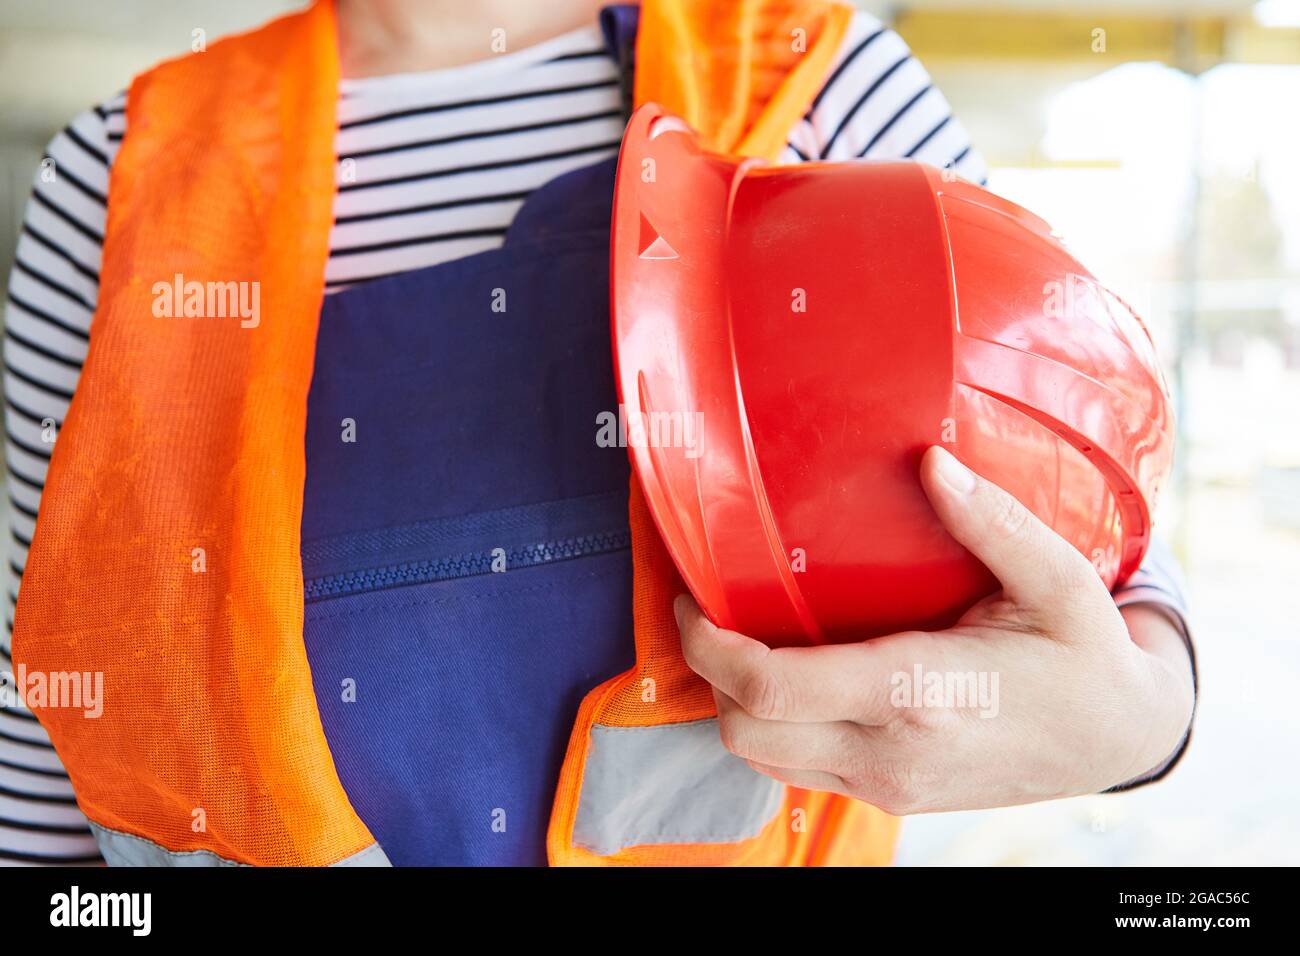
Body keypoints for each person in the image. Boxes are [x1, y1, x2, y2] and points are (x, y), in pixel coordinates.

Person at [1, 0, 1193, 866]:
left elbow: (1094, 548)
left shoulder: (811, 80)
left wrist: (1138, 718)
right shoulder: (122, 170)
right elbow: (46, 703)